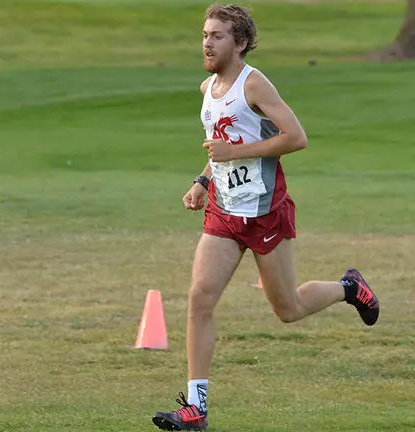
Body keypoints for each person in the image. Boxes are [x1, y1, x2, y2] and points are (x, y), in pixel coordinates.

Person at [152, 3, 380, 431]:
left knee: (288, 309)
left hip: (264, 212)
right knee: (200, 299)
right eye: (204, 34)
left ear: (239, 43)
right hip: (224, 212)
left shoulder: (254, 85)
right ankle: (196, 408)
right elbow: (217, 149)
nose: (206, 41)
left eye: (216, 35)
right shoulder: (208, 89)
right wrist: (202, 182)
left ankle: (350, 288)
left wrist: (234, 154)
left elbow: (297, 137)